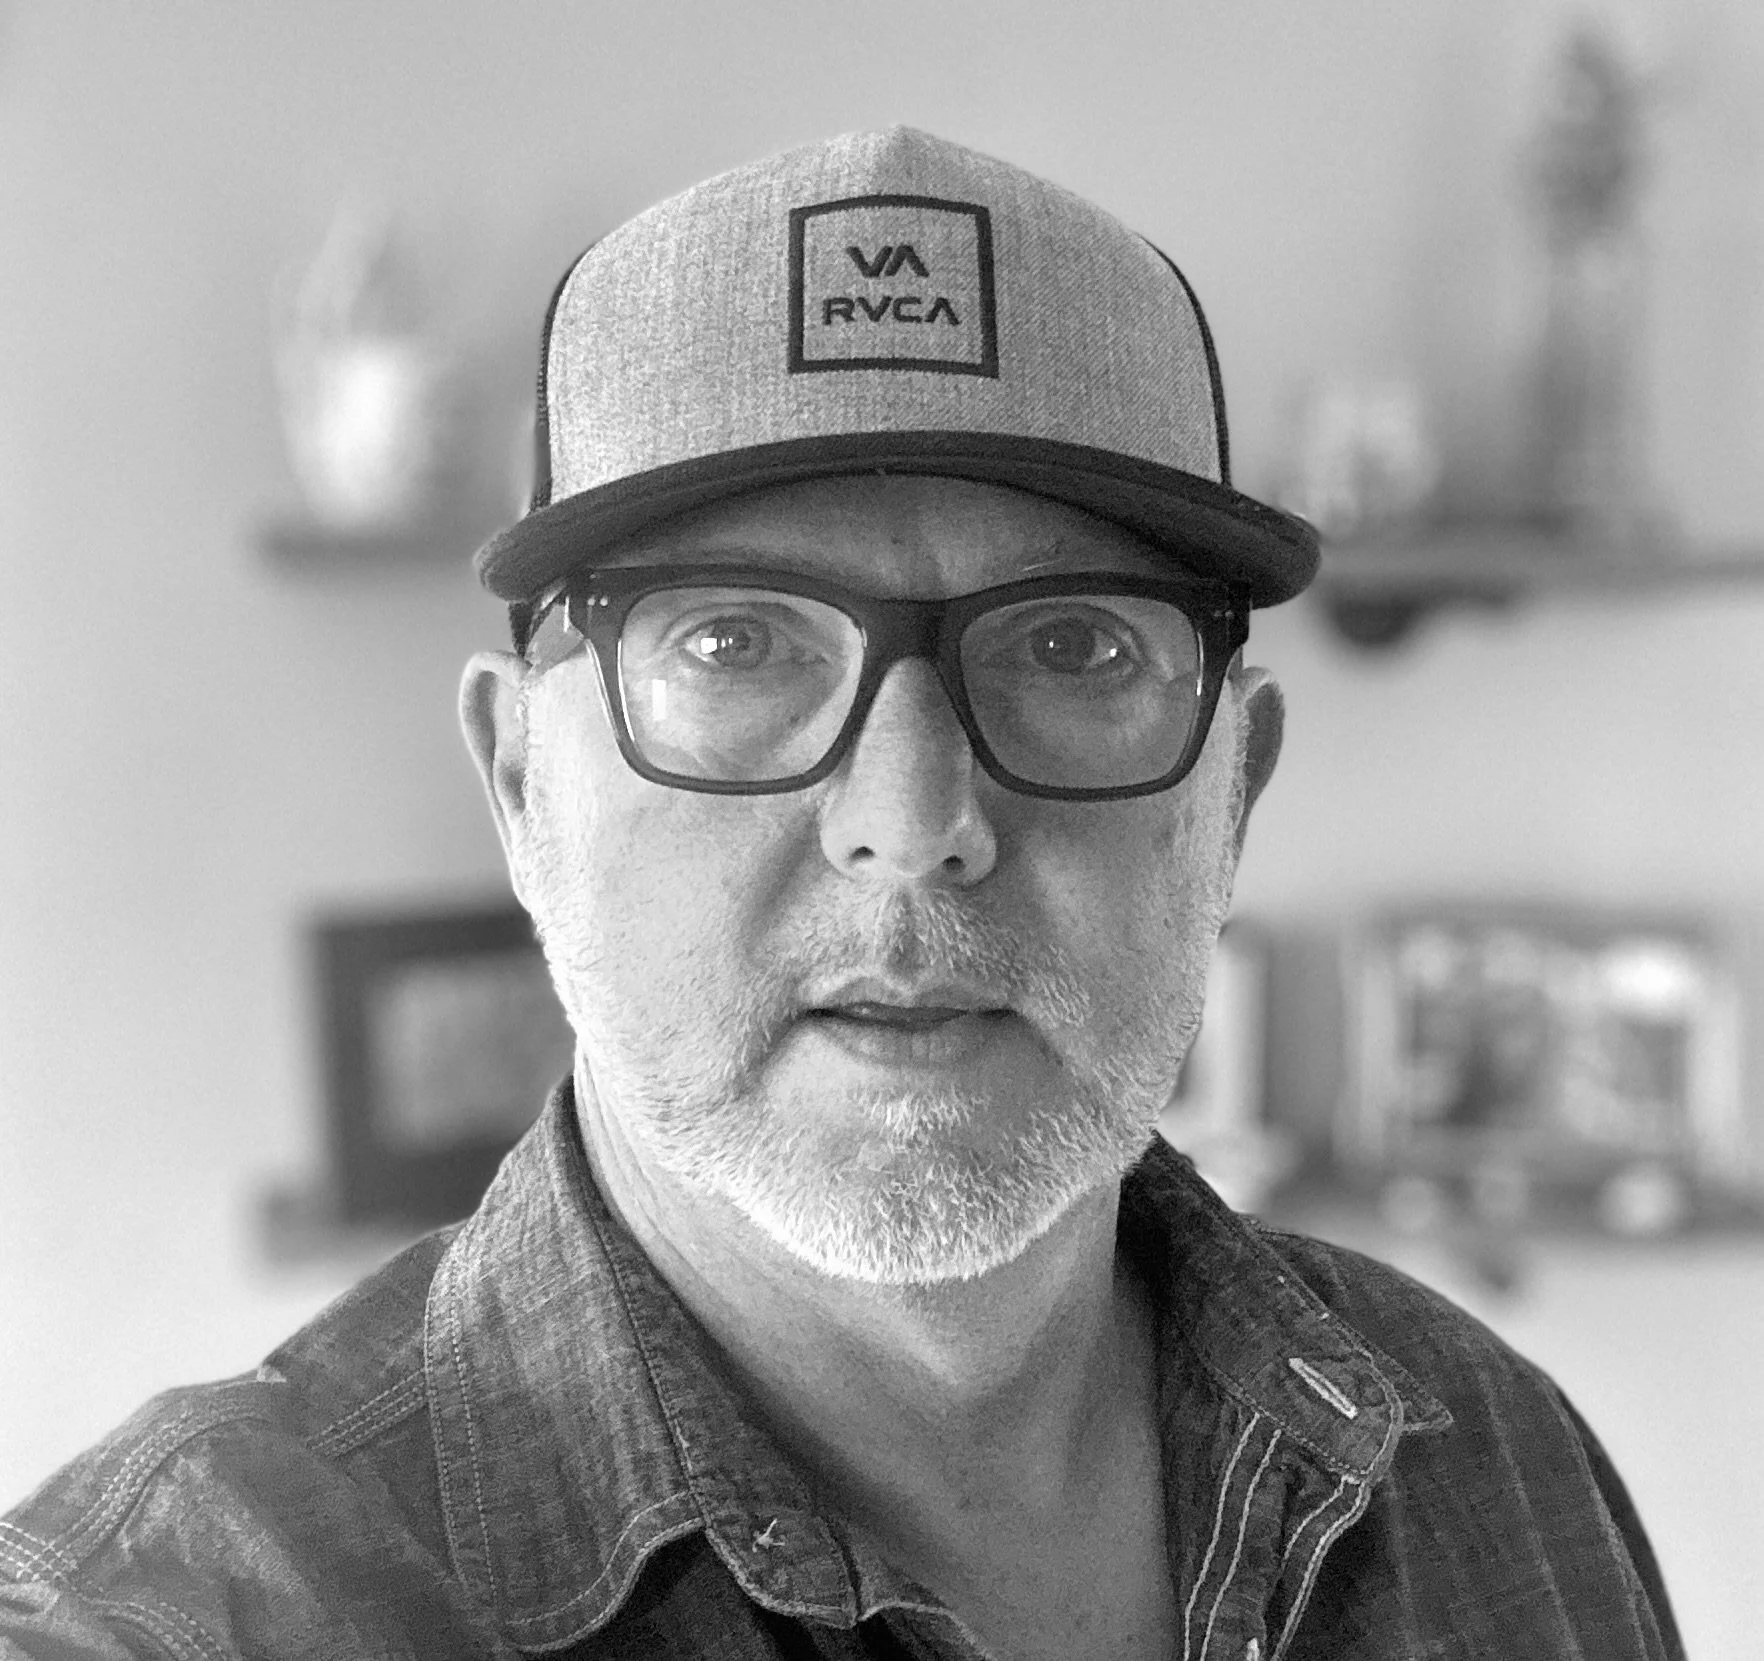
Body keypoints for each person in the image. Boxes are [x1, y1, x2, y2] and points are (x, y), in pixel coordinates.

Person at [0, 128, 1682, 1661]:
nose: (915, 818)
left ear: (1231, 790)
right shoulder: (176, 1621)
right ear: (522, 783)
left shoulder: (1498, 1471)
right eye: (735, 643)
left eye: (1076, 645)